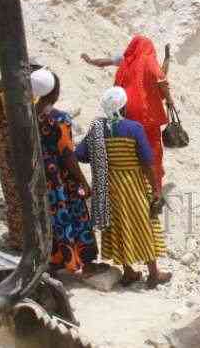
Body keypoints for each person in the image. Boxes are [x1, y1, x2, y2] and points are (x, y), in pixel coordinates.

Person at [76, 87, 172, 289]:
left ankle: (129, 272)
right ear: (124, 106)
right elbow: (147, 161)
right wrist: (156, 190)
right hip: (133, 184)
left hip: (109, 187)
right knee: (144, 224)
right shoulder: (134, 128)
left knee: (119, 226)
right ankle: (153, 274)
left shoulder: (97, 129)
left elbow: (81, 154)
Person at [31, 68, 97, 273]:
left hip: (38, 173)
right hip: (60, 177)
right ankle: (74, 259)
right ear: (55, 92)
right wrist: (84, 182)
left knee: (47, 215)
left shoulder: (28, 114)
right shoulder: (59, 118)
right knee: (68, 214)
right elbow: (68, 154)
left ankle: (54, 258)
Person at [0, 54, 43, 250]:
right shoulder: (27, 88)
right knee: (33, 187)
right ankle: (38, 237)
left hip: (5, 140)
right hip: (27, 139)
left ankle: (20, 240)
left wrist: (3, 139)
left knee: (13, 190)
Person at [108, 36, 175, 192]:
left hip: (126, 113)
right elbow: (160, 79)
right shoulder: (147, 58)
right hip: (146, 114)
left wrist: (167, 60)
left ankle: (136, 188)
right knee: (153, 150)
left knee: (134, 151)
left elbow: (116, 88)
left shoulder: (125, 64)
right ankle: (154, 189)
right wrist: (170, 100)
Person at [82, 43, 171, 77]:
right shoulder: (149, 63)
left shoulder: (125, 57)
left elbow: (103, 62)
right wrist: (167, 57)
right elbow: (162, 75)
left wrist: (90, 61)